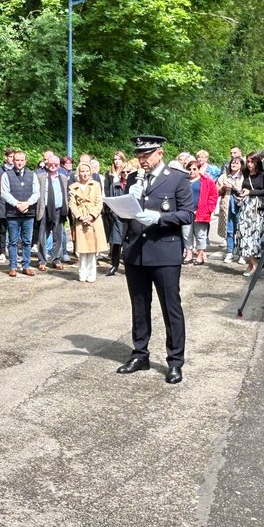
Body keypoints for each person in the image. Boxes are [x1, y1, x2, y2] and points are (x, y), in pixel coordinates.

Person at [116, 135, 193, 384]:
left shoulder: (178, 178)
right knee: (139, 307)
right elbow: (126, 213)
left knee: (171, 308)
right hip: (136, 251)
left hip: (164, 252)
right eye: (139, 156)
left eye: (146, 156)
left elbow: (187, 214)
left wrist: (160, 217)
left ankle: (175, 361)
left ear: (159, 153)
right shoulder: (133, 179)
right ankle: (140, 354)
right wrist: (127, 198)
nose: (142, 160)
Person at [0, 150, 39, 277]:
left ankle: (26, 265)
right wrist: (17, 204)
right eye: (17, 160)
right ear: (13, 160)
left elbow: (36, 193)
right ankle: (12, 266)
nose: (19, 162)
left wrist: (27, 203)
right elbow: (4, 193)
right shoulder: (6, 175)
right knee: (13, 241)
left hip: (28, 213)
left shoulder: (32, 175)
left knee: (27, 241)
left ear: (25, 161)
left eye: (22, 160)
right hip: (13, 214)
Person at [234, 153, 264, 277]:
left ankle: (254, 264)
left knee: (255, 238)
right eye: (248, 162)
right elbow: (244, 188)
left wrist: (250, 192)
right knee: (243, 234)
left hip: (258, 210)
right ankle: (252, 263)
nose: (249, 164)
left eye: (252, 162)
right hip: (246, 209)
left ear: (257, 162)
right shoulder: (245, 174)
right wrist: (240, 192)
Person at [68, 163, 106, 282]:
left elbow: (99, 202)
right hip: (80, 219)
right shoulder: (73, 187)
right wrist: (80, 217)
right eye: (82, 171)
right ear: (78, 172)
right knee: (82, 248)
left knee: (93, 248)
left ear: (90, 172)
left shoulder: (96, 185)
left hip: (93, 219)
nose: (84, 174)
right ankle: (82, 273)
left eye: (86, 171)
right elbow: (72, 204)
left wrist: (91, 216)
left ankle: (92, 273)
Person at [34, 153, 69, 271]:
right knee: (42, 235)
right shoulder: (41, 177)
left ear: (59, 165)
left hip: (59, 210)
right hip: (45, 209)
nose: (53, 166)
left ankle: (56, 259)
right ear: (46, 164)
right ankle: (42, 260)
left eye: (56, 164)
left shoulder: (63, 178)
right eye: (51, 164)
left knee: (58, 235)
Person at [189, 162, 218, 266]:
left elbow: (214, 195)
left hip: (201, 212)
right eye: (190, 169)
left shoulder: (206, 181)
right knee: (187, 234)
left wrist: (209, 208)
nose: (191, 171)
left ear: (199, 169)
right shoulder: (183, 181)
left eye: (194, 169)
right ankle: (189, 254)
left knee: (200, 234)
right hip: (187, 211)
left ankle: (200, 255)